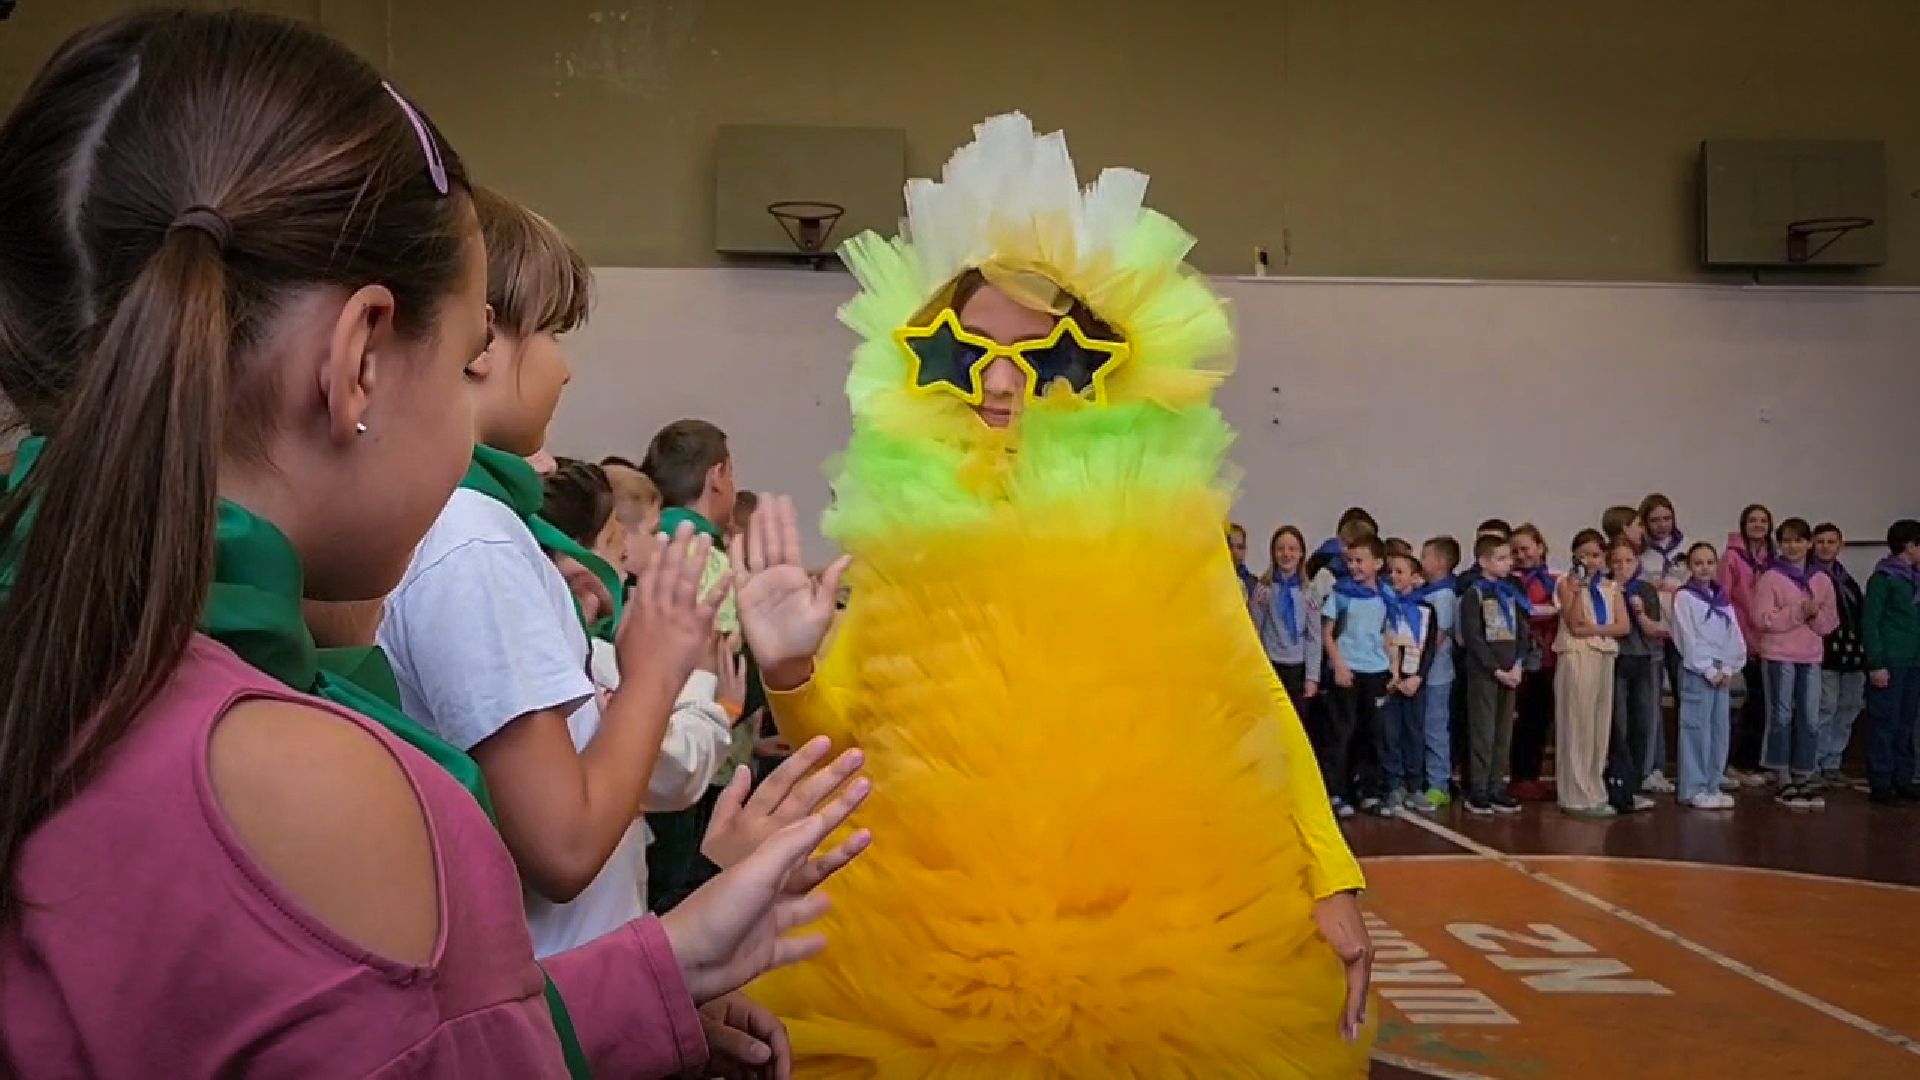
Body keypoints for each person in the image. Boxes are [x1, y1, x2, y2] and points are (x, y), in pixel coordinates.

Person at [0, 11, 857, 1075]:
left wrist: (653, 977)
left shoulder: (72, 654)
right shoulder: (316, 788)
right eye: (463, 363)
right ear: (359, 358)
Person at [739, 113, 1374, 1075]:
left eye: (1035, 353)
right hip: (925, 946)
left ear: (1091, 359)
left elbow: (1245, 690)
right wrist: (788, 669)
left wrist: (1330, 873)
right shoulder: (908, 509)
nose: (998, 383)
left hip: (1161, 928)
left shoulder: (1157, 501)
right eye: (969, 351)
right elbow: (857, 736)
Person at [1749, 518, 1838, 809]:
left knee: (1810, 716)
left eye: (1799, 540)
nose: (1793, 546)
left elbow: (1829, 623)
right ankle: (1782, 773)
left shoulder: (1821, 579)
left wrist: (1814, 616)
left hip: (1810, 656)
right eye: (1787, 541)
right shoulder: (1770, 578)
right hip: (1779, 655)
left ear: (1808, 543)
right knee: (1782, 714)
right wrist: (1799, 612)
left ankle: (1804, 771)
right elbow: (1763, 619)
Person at [1554, 530, 1627, 818]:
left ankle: (1594, 789)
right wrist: (1579, 588)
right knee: (1577, 722)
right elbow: (1573, 623)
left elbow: (1623, 627)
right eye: (1584, 555)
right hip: (1576, 655)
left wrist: (1594, 629)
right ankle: (1574, 793)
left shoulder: (1611, 587)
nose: (1590, 560)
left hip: (1603, 654)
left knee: (1598, 724)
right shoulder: (1567, 584)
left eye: (1596, 555)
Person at [1460, 535, 1533, 815]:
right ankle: (1478, 789)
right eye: (1501, 558)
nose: (1508, 563)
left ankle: (1496, 786)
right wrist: (1495, 669)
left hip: (1510, 671)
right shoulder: (1474, 594)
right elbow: (1473, 637)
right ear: (1483, 561)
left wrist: (1518, 664)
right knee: (1483, 731)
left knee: (1504, 731)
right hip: (1485, 673)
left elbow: (1523, 633)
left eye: (1508, 558)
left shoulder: (1511, 593)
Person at [1323, 536, 1396, 818]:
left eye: (1360, 561)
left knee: (1373, 733)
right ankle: (1336, 792)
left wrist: (1394, 667)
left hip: (1375, 671)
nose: (1354, 567)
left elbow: (1387, 633)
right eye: (1350, 561)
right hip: (1348, 670)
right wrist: (1338, 665)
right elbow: (1327, 634)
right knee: (1342, 733)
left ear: (1377, 563)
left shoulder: (1385, 596)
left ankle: (1369, 791)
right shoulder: (1341, 593)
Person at [1669, 544, 1744, 810]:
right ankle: (1693, 787)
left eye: (1710, 562)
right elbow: (1686, 638)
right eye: (1698, 562)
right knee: (1696, 729)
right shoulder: (1684, 598)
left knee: (1718, 730)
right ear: (1690, 566)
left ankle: (1712, 783)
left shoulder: (1721, 598)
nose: (1704, 567)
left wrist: (1729, 668)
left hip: (1721, 671)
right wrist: (1708, 669)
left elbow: (1733, 635)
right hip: (1697, 671)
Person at [1861, 519, 1920, 804]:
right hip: (1891, 659)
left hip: (1914, 660)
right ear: (1909, 546)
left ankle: (1903, 778)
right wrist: (1876, 662)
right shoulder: (1883, 579)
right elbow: (1870, 623)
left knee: (1906, 722)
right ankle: (1881, 781)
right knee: (1885, 721)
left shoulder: (1915, 579)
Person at [1609, 539, 1667, 811]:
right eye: (1616, 562)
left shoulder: (1644, 590)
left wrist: (1639, 611)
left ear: (1637, 562)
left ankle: (1636, 783)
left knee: (1641, 723)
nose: (1622, 567)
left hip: (1642, 659)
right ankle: (1618, 783)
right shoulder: (1606, 589)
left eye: (1628, 561)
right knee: (1619, 723)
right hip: (1616, 659)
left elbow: (1654, 630)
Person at [1721, 504, 1776, 782]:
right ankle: (1735, 763)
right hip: (1739, 640)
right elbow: (1723, 598)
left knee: (1762, 703)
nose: (1758, 525)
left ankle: (1754, 761)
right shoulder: (1732, 557)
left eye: (1763, 520)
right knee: (1742, 704)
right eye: (1752, 520)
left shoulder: (1773, 557)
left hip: (1767, 640)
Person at [1637, 493, 1687, 794]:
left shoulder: (1687, 549)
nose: (1661, 525)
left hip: (1682, 634)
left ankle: (1689, 767)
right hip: (1653, 633)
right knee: (1652, 700)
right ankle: (1654, 766)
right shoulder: (1640, 554)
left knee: (1689, 698)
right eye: (1654, 520)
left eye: (1666, 518)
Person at [1810, 523, 1867, 785]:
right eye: (1820, 541)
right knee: (1826, 707)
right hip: (1826, 653)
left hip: (1852, 652)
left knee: (1850, 705)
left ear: (1840, 545)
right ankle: (1816, 763)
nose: (1825, 546)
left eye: (1831, 542)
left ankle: (1834, 761)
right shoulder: (1809, 576)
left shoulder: (1846, 578)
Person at [1383, 552, 1440, 813]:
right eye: (1390, 571)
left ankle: (1415, 785)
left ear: (1415, 578)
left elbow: (1429, 647)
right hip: (1390, 682)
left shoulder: (1426, 610)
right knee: (1390, 734)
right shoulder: (1383, 605)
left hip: (1415, 682)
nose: (1393, 576)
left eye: (1399, 571)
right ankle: (1394, 785)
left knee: (1414, 733)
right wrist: (1390, 677)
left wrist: (1418, 677)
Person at [1509, 524, 1560, 801]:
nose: (1520, 555)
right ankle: (1519, 776)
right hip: (1519, 659)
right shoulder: (1510, 581)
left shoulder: (1554, 580)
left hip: (1548, 658)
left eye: (1525, 548)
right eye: (1515, 550)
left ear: (1540, 547)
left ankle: (1533, 775)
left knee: (1540, 718)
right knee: (1521, 720)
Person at [1417, 536, 1462, 808]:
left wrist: (1416, 662)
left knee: (1435, 729)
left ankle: (1439, 784)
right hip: (1423, 674)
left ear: (1441, 563)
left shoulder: (1444, 595)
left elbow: (1439, 635)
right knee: (1423, 727)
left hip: (1436, 674)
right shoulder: (1427, 592)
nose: (1422, 563)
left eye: (1426, 557)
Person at [1254, 525, 1320, 706]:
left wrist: (1312, 677)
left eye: (1292, 549)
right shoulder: (1264, 589)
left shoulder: (1309, 592)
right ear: (1273, 553)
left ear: (1301, 554)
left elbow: (1314, 636)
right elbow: (1255, 631)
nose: (1286, 554)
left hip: (1298, 666)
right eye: (1280, 548)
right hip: (1271, 664)